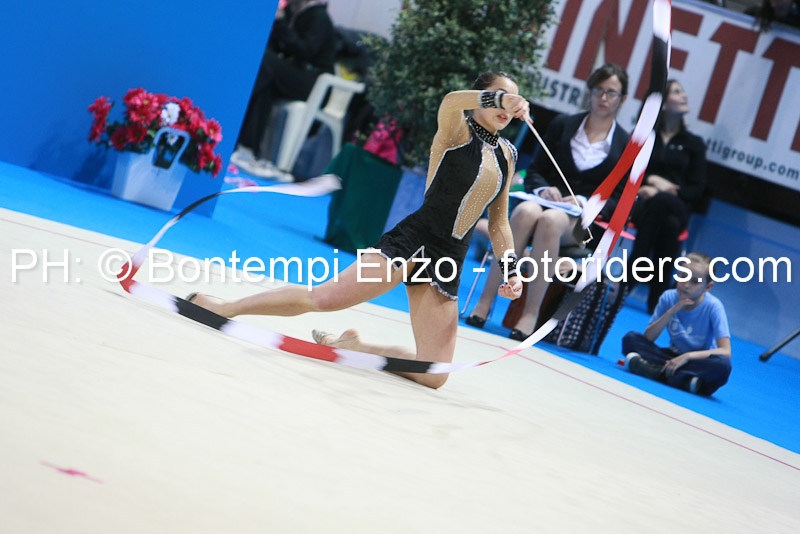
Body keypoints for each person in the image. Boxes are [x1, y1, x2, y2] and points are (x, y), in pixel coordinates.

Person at [189, 72, 530, 389]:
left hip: (449, 258)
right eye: (501, 96)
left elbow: (499, 223)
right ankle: (225, 307)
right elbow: (451, 100)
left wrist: (511, 271)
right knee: (323, 299)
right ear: (483, 97)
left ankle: (355, 346)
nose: (508, 105)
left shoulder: (508, 154)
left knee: (435, 374)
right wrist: (500, 99)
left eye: (514, 99)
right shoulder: (458, 130)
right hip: (415, 242)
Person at [466, 64, 631, 341]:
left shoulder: (627, 145)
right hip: (542, 205)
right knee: (525, 211)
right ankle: (484, 302)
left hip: (583, 225)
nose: (604, 98)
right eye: (598, 90)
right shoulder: (563, 125)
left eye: (611, 93)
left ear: (622, 99)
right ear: (589, 92)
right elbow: (535, 171)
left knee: (551, 221)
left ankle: (530, 314)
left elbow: (622, 201)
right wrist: (544, 189)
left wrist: (584, 202)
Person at [232, 0, 340, 172]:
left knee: (267, 62)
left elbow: (305, 52)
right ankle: (247, 148)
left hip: (312, 82)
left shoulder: (319, 16)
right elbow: (280, 47)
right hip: (293, 74)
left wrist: (281, 24)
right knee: (266, 82)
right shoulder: (291, 12)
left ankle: (236, 105)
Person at [628, 80, 707, 313]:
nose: (684, 96)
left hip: (678, 206)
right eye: (677, 92)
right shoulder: (644, 136)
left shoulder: (694, 144)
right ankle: (658, 297)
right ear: (662, 103)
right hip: (643, 206)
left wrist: (662, 189)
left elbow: (696, 190)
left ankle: (634, 270)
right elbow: (628, 172)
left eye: (683, 91)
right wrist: (650, 182)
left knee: (664, 204)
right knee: (668, 224)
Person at [622, 252, 732, 396]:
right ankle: (684, 381)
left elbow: (725, 351)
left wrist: (687, 357)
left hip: (697, 361)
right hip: (670, 356)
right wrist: (672, 311)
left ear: (707, 287)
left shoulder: (714, 307)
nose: (686, 285)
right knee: (630, 338)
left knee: (723, 366)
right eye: (683, 276)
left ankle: (653, 371)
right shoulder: (668, 297)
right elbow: (648, 337)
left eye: (695, 282)